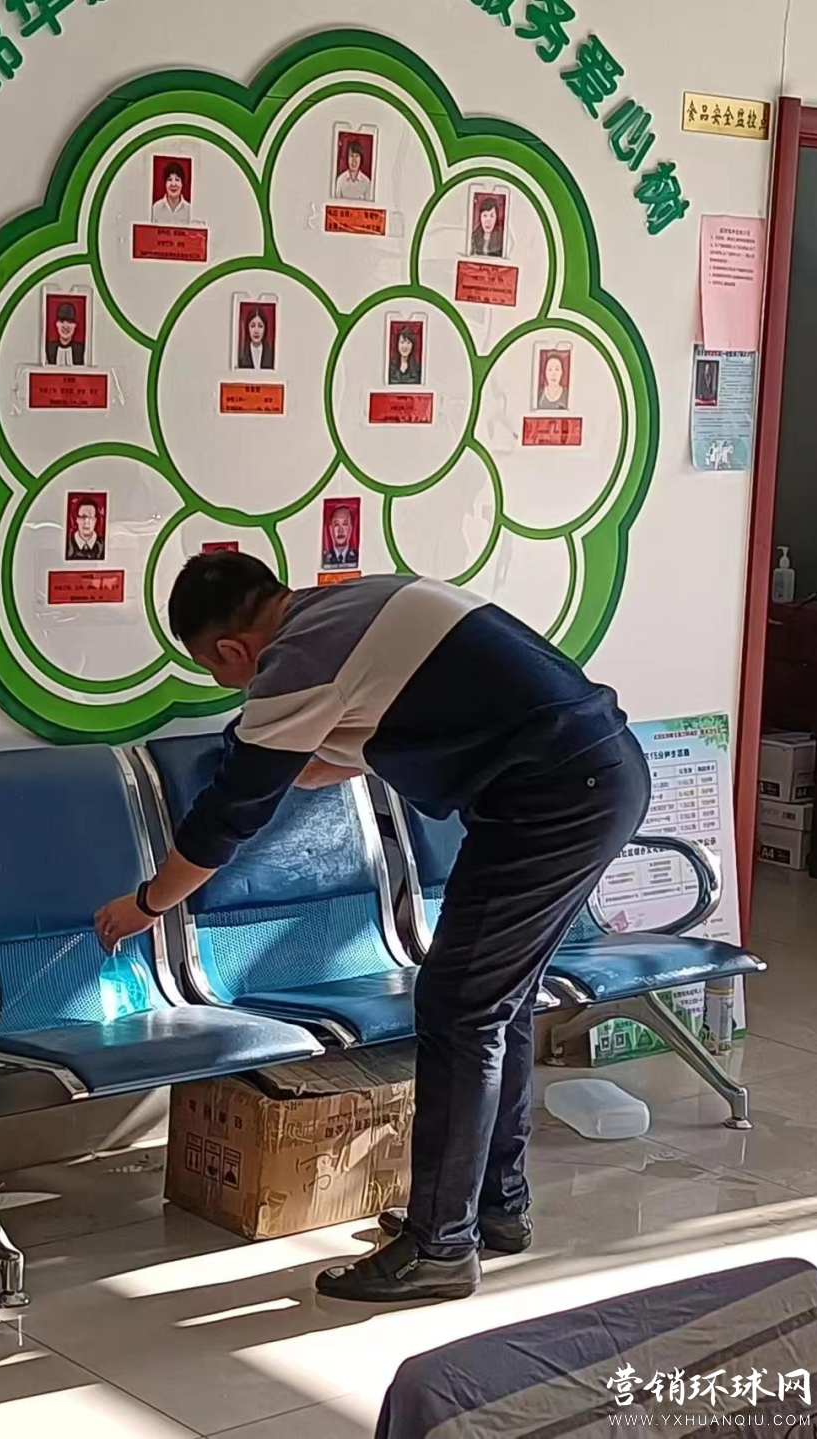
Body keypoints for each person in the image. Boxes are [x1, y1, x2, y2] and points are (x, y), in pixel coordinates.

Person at [94, 553, 650, 1304]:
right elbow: (353, 746)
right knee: (495, 1001)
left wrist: (147, 903)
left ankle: (440, 1245)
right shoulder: (354, 604)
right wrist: (287, 758)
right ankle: (492, 1207)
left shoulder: (295, 661)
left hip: (552, 799)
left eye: (222, 674)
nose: (239, 689)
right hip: (595, 773)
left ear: (231, 648)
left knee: (460, 1009)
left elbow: (229, 814)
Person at [322, 504, 359, 569]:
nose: (340, 530)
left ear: (350, 529)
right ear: (331, 529)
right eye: (336, 524)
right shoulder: (324, 557)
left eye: (345, 524)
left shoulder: (357, 556)